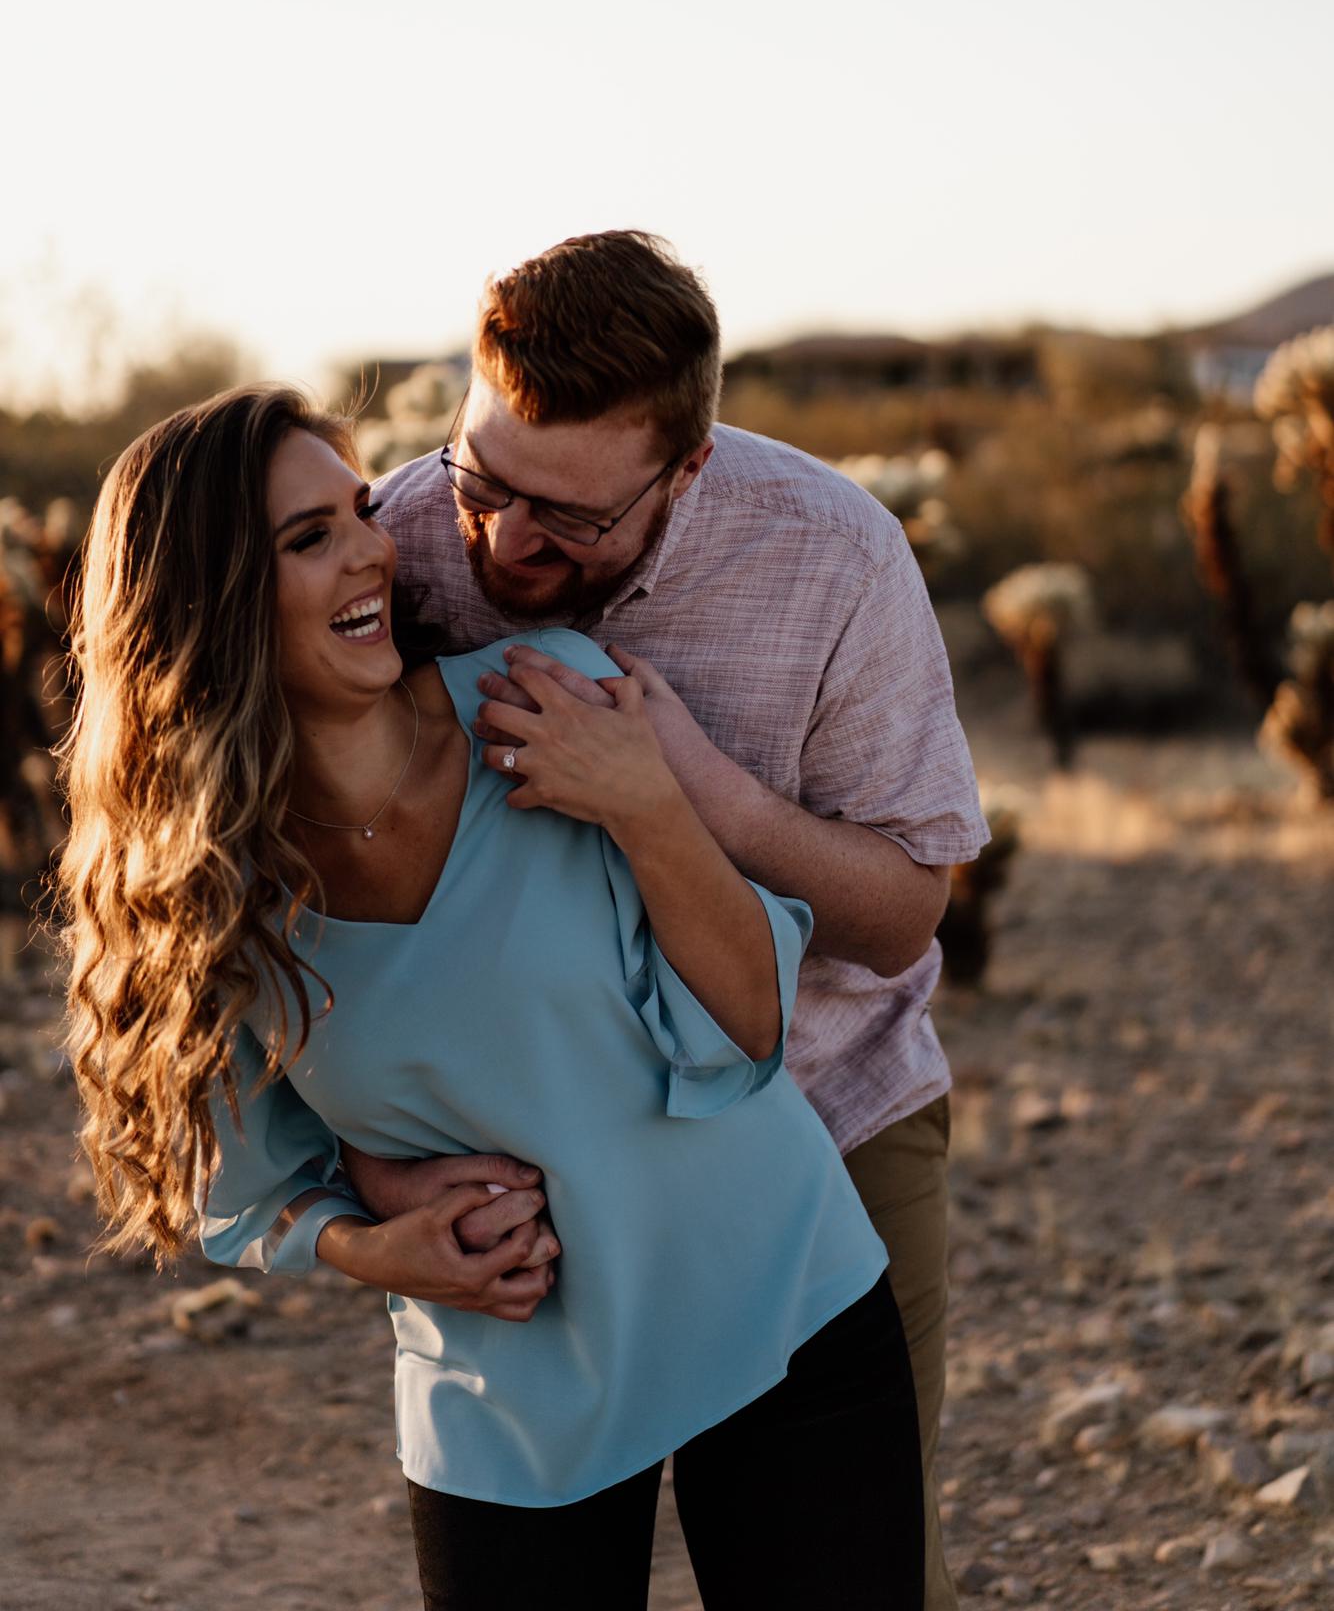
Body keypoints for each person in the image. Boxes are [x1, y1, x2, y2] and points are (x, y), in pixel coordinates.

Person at [57, 385, 926, 1611]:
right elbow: (238, 1186)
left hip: (774, 1302)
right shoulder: (206, 894)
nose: (372, 548)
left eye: (359, 510)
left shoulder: (544, 699)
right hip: (502, 1387)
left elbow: (744, 1030)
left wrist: (648, 801)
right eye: (308, 538)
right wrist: (378, 1244)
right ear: (204, 609)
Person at [355, 230, 990, 1611]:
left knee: (860, 1576)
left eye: (571, 518)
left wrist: (703, 795)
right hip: (536, 1162)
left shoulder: (835, 557)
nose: (504, 543)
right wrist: (362, 1190)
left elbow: (898, 921)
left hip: (829, 1118)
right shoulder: (399, 538)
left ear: (685, 467)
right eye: (487, 479)